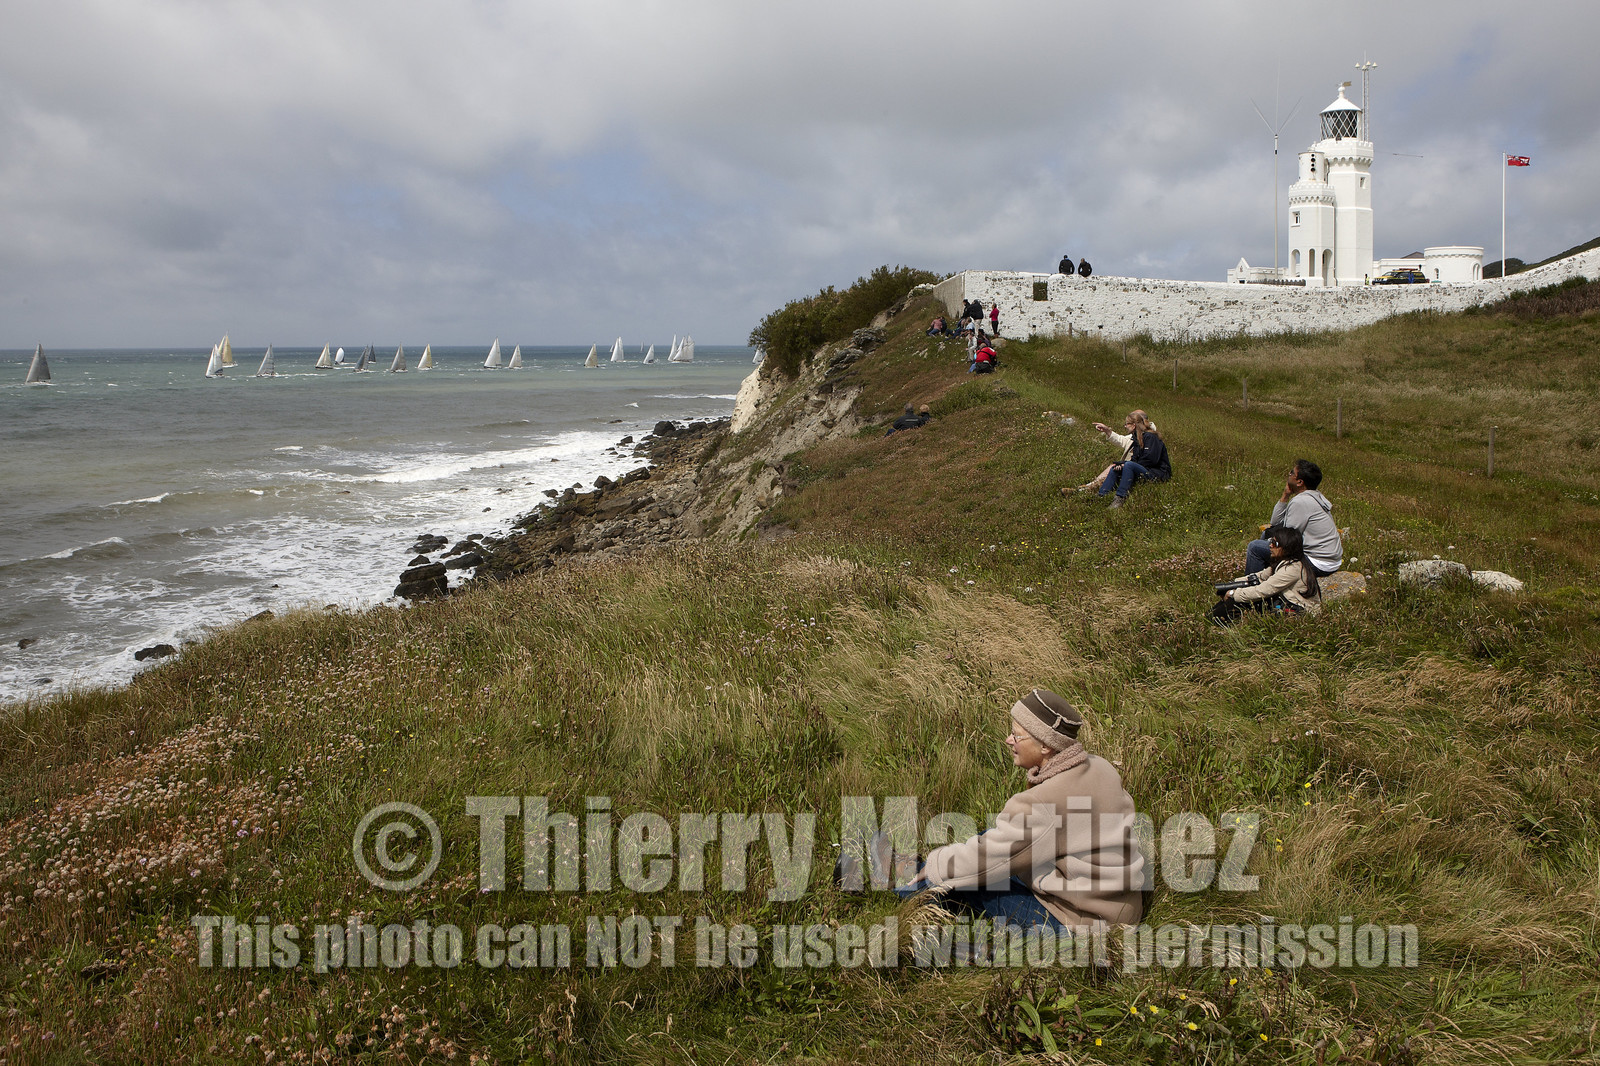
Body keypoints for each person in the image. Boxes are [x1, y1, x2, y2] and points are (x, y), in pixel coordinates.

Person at [892, 688, 1145, 931]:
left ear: (1046, 746)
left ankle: (904, 884)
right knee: (991, 839)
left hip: (1081, 923)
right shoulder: (1101, 768)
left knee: (972, 878)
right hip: (1123, 910)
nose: (1008, 740)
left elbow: (987, 859)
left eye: (1017, 735)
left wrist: (934, 866)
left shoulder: (1042, 802)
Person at [1244, 459, 1342, 577]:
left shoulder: (1301, 502)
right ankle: (1268, 581)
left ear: (1300, 482)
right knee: (1267, 534)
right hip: (1330, 560)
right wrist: (1285, 496)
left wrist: (1269, 543)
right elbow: (1275, 522)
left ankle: (1251, 588)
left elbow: (1286, 539)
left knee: (1255, 548)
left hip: (1318, 562)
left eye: (1291, 473)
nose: (1288, 475)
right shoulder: (1315, 496)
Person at [1211, 525, 1323, 625]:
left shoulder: (1292, 569)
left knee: (1244, 598)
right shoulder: (1284, 562)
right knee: (1244, 594)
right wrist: (1232, 585)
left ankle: (1212, 620)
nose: (1270, 545)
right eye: (1271, 541)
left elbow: (1263, 590)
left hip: (1300, 612)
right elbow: (1259, 576)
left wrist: (1233, 593)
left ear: (1287, 547)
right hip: (1288, 603)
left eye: (1275, 543)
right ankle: (1213, 617)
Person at [1090, 411, 1170, 508]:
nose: (1125, 426)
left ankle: (1120, 497)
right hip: (1145, 470)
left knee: (1129, 465)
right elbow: (1135, 458)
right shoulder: (1136, 439)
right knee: (1116, 467)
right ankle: (1101, 495)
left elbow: (1151, 459)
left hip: (1157, 473)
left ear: (1134, 425)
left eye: (1127, 424)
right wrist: (1121, 464)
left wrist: (1127, 464)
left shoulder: (1151, 437)